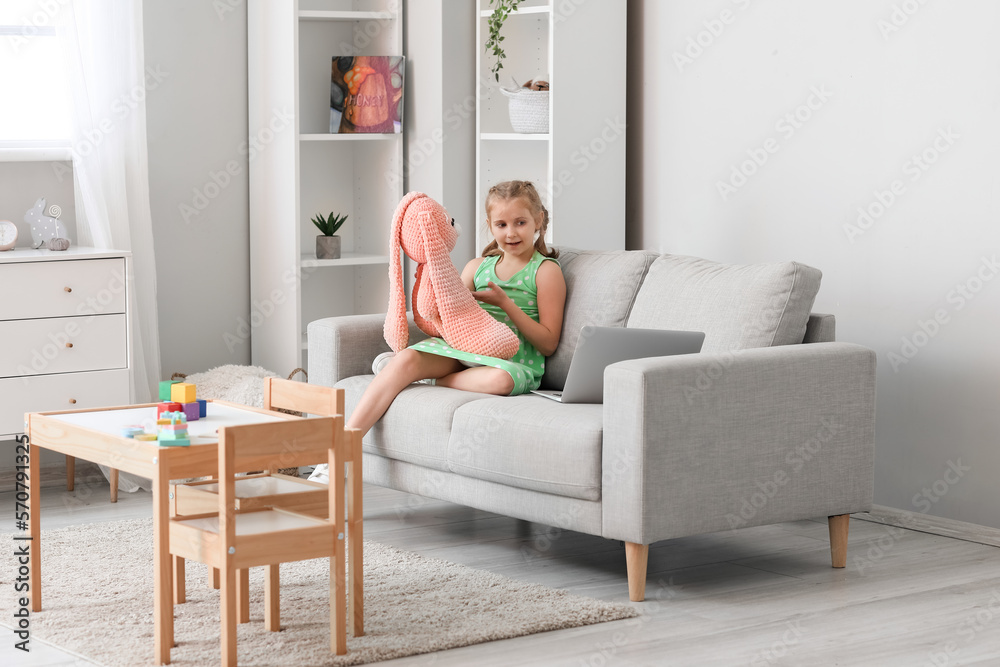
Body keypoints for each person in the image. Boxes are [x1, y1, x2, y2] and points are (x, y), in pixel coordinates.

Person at [309, 180, 566, 483]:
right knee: (405, 359)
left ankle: (430, 379)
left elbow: (548, 343)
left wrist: (505, 304)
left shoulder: (546, 270)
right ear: (490, 226)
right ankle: (339, 453)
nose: (511, 233)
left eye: (520, 222)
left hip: (513, 360)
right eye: (501, 224)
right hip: (465, 348)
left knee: (499, 380)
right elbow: (451, 316)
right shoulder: (476, 267)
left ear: (538, 221)